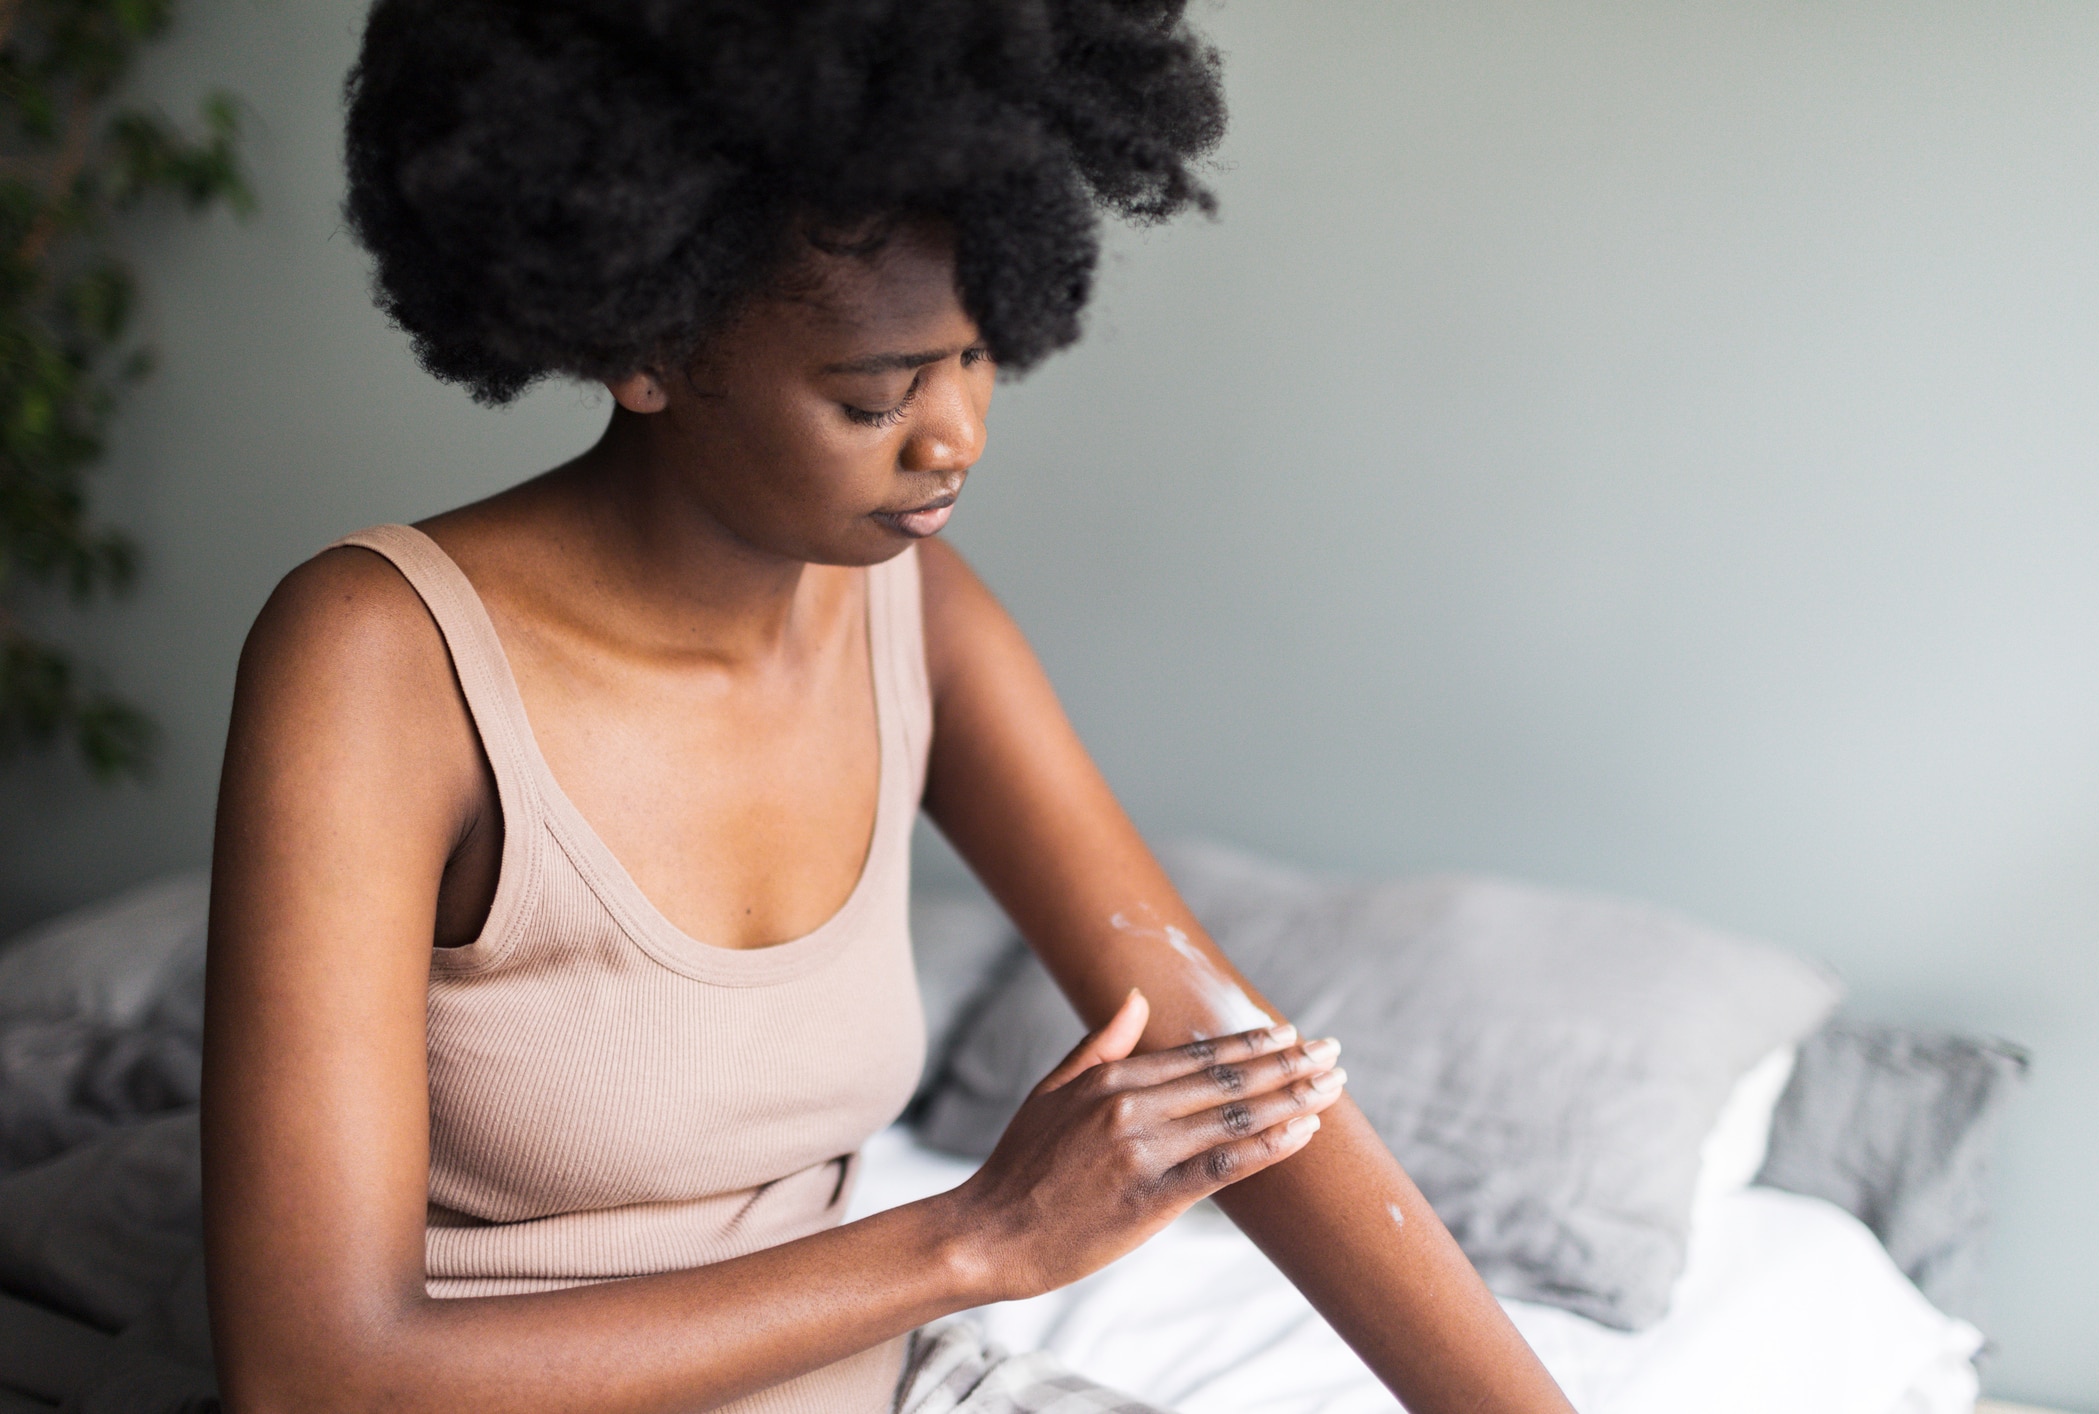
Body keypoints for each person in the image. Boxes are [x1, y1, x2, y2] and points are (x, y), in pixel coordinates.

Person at [201, 3, 1576, 1411]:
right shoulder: (377, 656)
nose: (957, 438)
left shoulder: (914, 609)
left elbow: (1210, 1043)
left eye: (979, 354)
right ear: (646, 346)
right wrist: (977, 1236)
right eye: (875, 396)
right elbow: (318, 1375)